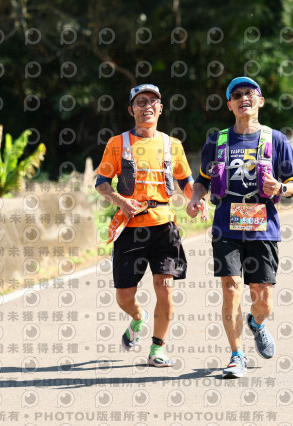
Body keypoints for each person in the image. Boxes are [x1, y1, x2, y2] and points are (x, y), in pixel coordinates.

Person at [187, 76, 293, 378]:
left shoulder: (276, 139)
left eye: (249, 93)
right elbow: (202, 180)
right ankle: (236, 356)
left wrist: (281, 187)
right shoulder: (217, 141)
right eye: (236, 95)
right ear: (229, 105)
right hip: (225, 226)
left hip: (263, 226)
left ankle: (257, 323)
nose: (243, 98)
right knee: (231, 288)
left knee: (262, 299)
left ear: (260, 101)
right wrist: (197, 198)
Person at [95, 84, 196, 367]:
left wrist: (196, 200)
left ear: (160, 108)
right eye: (141, 102)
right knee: (124, 296)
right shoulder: (117, 143)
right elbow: (101, 183)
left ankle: (157, 349)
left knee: (165, 287)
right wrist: (120, 200)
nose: (147, 106)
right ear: (131, 110)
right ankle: (138, 318)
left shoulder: (172, 144)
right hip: (130, 227)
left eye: (153, 101)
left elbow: (187, 182)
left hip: (164, 226)